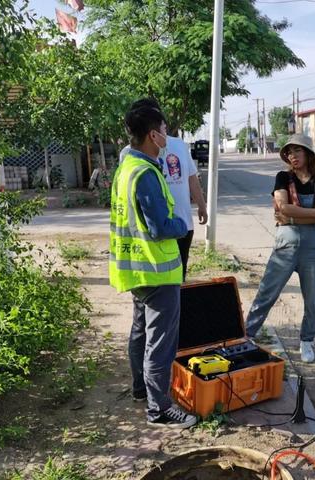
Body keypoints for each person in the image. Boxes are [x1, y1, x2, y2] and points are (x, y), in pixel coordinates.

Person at [109, 101, 197, 429]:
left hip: (136, 268)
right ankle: (159, 409)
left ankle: (139, 389)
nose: (166, 135)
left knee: (139, 331)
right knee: (159, 343)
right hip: (157, 270)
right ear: (152, 135)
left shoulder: (126, 167)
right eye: (163, 130)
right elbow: (160, 226)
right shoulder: (146, 172)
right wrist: (182, 226)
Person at [245, 134, 315, 363]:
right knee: (267, 291)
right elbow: (284, 208)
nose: (293, 156)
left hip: (313, 247)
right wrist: (313, 215)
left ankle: (307, 340)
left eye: (298, 151)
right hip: (286, 244)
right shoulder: (283, 177)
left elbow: (307, 213)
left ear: (308, 154)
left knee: (312, 298)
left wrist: (293, 216)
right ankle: (247, 334)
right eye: (290, 152)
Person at [119, 98, 207, 280]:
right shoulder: (129, 155)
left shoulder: (179, 145)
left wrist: (202, 205)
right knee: (153, 280)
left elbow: (191, 177)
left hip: (180, 225)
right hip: (149, 229)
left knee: (177, 275)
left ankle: (173, 304)